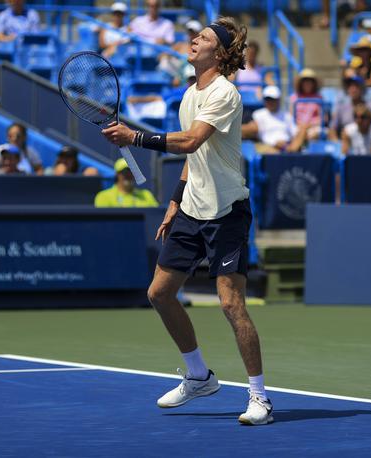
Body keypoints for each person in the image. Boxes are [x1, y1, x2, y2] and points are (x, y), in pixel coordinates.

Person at [101, 17, 275, 425]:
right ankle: (199, 375)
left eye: (205, 38)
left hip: (227, 211)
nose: (194, 40)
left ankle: (260, 397)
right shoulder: (188, 93)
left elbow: (192, 140)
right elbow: (194, 158)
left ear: (221, 52)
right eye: (195, 35)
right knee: (160, 293)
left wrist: (135, 138)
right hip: (191, 210)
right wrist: (175, 202)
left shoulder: (225, 93)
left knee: (231, 303)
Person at [242, 85, 308, 154]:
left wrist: (288, 146)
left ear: (278, 100)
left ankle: (291, 151)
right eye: (268, 99)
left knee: (303, 130)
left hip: (287, 145)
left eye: (273, 99)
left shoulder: (287, 115)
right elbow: (252, 129)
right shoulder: (258, 114)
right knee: (271, 151)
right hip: (268, 147)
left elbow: (294, 133)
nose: (270, 102)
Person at [329, 75, 371, 141]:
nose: (353, 89)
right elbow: (332, 129)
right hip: (346, 145)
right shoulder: (341, 108)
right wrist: (337, 145)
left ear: (362, 88)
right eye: (350, 86)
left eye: (356, 86)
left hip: (369, 145)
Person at [289, 68, 325, 140]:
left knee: (314, 134)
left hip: (313, 127)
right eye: (305, 81)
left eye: (310, 81)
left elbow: (322, 118)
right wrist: (301, 126)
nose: (307, 83)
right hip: (298, 127)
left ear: (314, 83)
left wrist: (309, 125)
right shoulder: (294, 97)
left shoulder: (319, 97)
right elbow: (290, 117)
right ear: (301, 83)